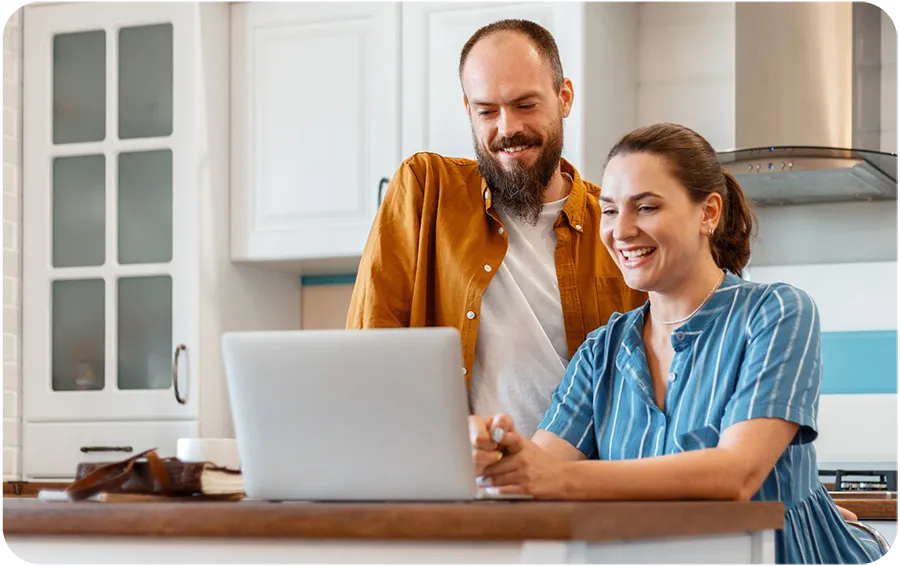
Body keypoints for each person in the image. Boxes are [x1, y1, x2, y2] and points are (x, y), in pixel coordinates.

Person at [468, 123, 889, 566]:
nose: (621, 230)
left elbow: (735, 474)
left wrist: (553, 477)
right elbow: (539, 468)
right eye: (609, 211)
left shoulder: (776, 312)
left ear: (708, 213)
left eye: (645, 207)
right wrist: (496, 454)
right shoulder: (602, 351)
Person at [346, 19, 647, 438]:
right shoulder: (426, 189)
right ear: (468, 110)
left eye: (526, 105)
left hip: (580, 485)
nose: (507, 129)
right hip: (454, 484)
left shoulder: (617, 223)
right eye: (487, 110)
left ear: (564, 98)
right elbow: (370, 354)